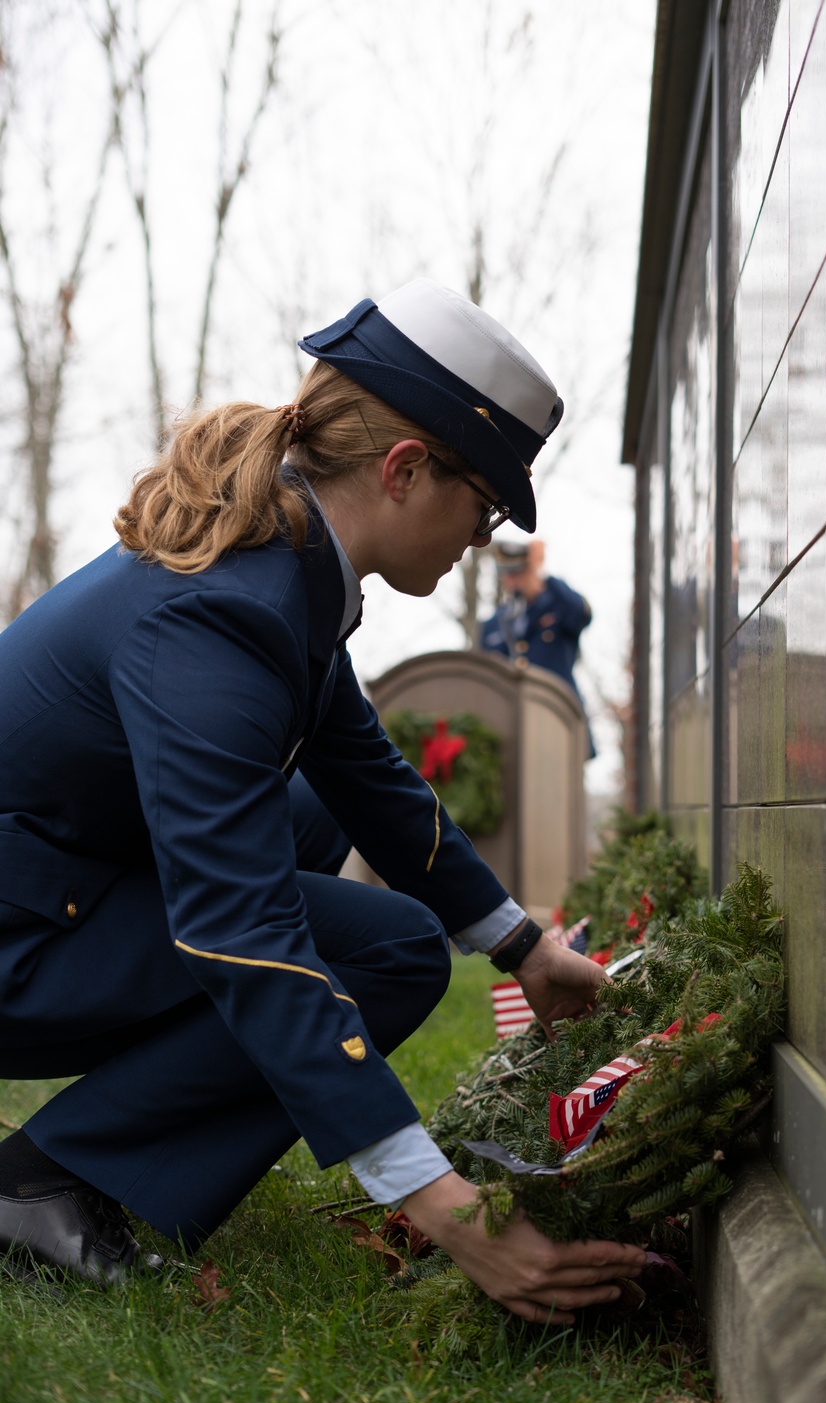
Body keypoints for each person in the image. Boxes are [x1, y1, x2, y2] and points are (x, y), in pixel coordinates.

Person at [0, 278, 644, 1322]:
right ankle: (51, 1184)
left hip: (49, 891)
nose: (478, 539)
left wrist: (523, 946)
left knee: (316, 806)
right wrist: (448, 1208)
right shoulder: (224, 613)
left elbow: (369, 775)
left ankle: (95, 1150)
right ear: (402, 470)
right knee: (380, 950)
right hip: (15, 934)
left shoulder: (281, 569)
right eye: (479, 507)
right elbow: (239, 930)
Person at [479, 537, 595, 755]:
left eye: (519, 572)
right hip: (514, 727)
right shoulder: (495, 624)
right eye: (508, 573)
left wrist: (543, 575)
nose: (513, 581)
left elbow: (582, 614)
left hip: (559, 717)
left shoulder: (558, 608)